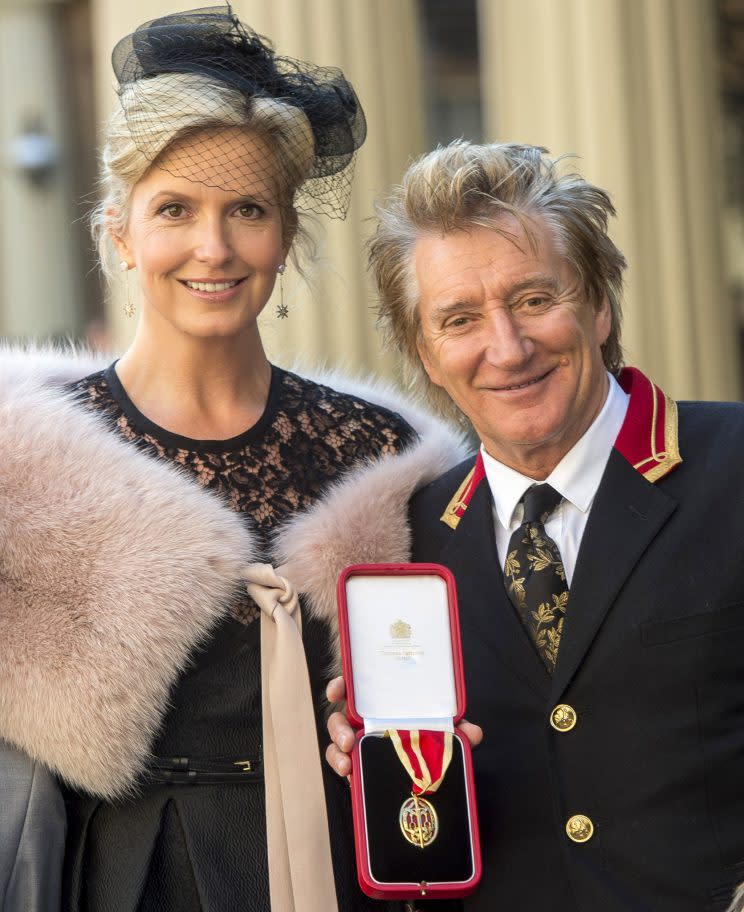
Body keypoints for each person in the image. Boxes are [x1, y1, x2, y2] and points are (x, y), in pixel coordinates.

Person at [0, 6, 446, 911]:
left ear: (284, 236)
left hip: (348, 866)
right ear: (120, 231)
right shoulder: (23, 457)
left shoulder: (388, 459)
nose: (214, 247)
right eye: (175, 210)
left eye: (247, 210)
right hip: (117, 874)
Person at [310, 140, 744, 912]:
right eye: (460, 319)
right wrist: (378, 759)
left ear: (600, 304)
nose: (506, 348)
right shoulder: (412, 540)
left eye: (536, 299)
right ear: (425, 353)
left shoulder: (734, 466)